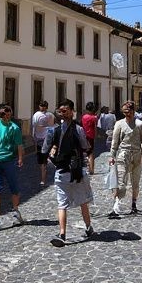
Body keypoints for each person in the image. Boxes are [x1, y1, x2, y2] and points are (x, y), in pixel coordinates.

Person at [46, 100, 96, 244]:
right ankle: (88, 227)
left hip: (61, 171)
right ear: (73, 112)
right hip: (76, 172)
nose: (63, 113)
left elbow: (47, 151)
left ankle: (62, 234)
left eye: (63, 110)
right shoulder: (78, 129)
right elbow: (86, 146)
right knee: (83, 202)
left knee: (62, 204)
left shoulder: (53, 130)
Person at [0, 103, 25, 230]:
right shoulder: (14, 128)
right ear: (10, 114)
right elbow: (19, 145)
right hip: (8, 160)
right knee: (14, 188)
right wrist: (20, 158)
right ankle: (15, 212)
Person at [110, 101, 142, 215]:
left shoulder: (140, 124)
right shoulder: (119, 124)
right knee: (121, 182)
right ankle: (116, 204)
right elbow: (115, 141)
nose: (127, 114)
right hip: (123, 155)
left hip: (137, 156)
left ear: (133, 111)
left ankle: (134, 204)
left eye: (129, 111)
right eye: (125, 112)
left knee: (135, 183)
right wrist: (112, 156)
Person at [30, 100, 55, 186]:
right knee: (47, 159)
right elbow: (53, 126)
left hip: (41, 139)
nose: (43, 107)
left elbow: (33, 127)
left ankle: (43, 179)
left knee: (42, 162)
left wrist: (33, 137)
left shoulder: (36, 115)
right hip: (48, 139)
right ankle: (46, 178)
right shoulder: (51, 115)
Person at [81, 101, 100, 175]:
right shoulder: (94, 118)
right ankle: (91, 169)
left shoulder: (83, 117)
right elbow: (95, 128)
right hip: (91, 136)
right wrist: (96, 136)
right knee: (91, 153)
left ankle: (85, 167)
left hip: (84, 136)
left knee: (84, 152)